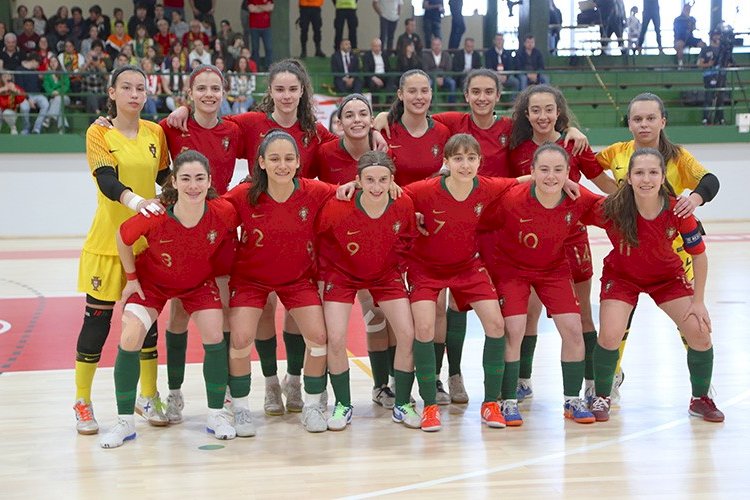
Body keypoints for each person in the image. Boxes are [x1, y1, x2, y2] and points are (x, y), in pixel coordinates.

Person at [166, 59, 342, 416]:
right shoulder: (249, 125)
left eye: (294, 89)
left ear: (303, 91)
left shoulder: (315, 131)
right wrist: (187, 106)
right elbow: (213, 120)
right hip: (260, 224)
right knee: (261, 314)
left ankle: (296, 381)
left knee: (299, 316)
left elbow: (344, 147)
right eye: (280, 89)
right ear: (270, 92)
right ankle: (269, 384)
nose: (287, 95)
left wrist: (377, 127)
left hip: (300, 229)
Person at [99, 150, 239, 448]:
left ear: (209, 181)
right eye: (185, 178)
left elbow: (231, 237)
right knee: (131, 335)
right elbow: (123, 237)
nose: (193, 185)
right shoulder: (156, 212)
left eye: (199, 178)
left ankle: (216, 414)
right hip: (153, 284)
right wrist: (132, 278)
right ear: (173, 182)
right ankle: (124, 422)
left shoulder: (223, 212)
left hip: (198, 284)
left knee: (216, 333)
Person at [223, 131, 355, 434]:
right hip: (250, 280)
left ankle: (311, 405)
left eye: (288, 159)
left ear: (298, 162)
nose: (282, 165)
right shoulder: (243, 194)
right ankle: (242, 409)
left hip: (298, 279)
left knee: (318, 338)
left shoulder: (314, 191)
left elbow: (347, 189)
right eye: (274, 159)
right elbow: (210, 210)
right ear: (261, 163)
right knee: (241, 339)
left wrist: (356, 185)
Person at [595, 92, 720, 404]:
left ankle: (701, 390)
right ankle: (611, 378)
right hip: (630, 253)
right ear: (629, 124)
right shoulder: (617, 152)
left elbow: (709, 180)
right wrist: (616, 194)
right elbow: (584, 165)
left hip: (673, 253)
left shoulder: (677, 156)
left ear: (663, 121)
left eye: (651, 118)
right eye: (637, 119)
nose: (644, 124)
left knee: (689, 326)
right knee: (617, 328)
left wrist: (695, 198)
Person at [73, 65, 170, 436]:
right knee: (96, 325)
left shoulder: (155, 132)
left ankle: (147, 396)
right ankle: (82, 400)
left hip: (146, 246)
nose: (134, 94)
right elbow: (106, 178)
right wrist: (134, 201)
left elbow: (165, 177)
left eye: (140, 88)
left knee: (145, 326)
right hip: (106, 245)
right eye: (126, 87)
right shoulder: (99, 132)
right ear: (111, 93)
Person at [507, 85, 617, 403]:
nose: (543, 116)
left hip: (572, 240)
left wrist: (637, 203)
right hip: (528, 244)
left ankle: (593, 382)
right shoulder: (516, 147)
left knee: (580, 314)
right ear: (526, 114)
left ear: (559, 112)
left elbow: (602, 183)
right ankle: (523, 380)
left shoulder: (575, 144)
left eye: (549, 109)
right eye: (536, 110)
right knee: (528, 313)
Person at [482, 142, 602, 425]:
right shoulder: (512, 198)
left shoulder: (577, 196)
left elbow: (611, 212)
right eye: (544, 169)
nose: (551, 176)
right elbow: (480, 222)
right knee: (514, 329)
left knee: (573, 329)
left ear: (568, 172)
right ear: (532, 171)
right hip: (513, 270)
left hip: (553, 269)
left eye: (558, 170)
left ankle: (572, 400)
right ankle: (508, 400)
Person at [403, 133, 516, 430]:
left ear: (480, 161)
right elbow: (393, 194)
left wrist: (563, 180)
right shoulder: (424, 190)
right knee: (425, 327)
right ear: (446, 162)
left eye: (471, 158)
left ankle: (491, 403)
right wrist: (412, 213)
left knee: (496, 324)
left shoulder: (487, 186)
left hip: (467, 266)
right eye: (458, 158)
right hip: (425, 268)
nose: (465, 165)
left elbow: (524, 181)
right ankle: (429, 405)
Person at [156, 65, 244, 423]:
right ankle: (174, 393)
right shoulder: (171, 127)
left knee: (221, 308)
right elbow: (152, 160)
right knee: (179, 312)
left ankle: (221, 389)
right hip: (182, 230)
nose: (209, 94)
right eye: (202, 88)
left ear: (224, 92)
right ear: (189, 93)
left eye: (215, 88)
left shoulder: (234, 131)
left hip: (219, 227)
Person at [317, 151, 422, 430]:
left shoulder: (403, 204)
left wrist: (398, 270)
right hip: (342, 276)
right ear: (358, 181)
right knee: (336, 338)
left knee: (407, 334)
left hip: (385, 276)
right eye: (370, 180)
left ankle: (402, 403)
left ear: (392, 181)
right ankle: (343, 405)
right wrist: (324, 277)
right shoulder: (339, 206)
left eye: (383, 180)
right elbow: (320, 238)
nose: (377, 186)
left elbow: (409, 239)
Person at [698, 29, 733, 125]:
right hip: (709, 76)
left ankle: (720, 119)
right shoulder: (705, 49)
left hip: (721, 75)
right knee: (709, 97)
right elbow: (700, 64)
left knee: (720, 97)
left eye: (719, 35)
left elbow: (730, 63)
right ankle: (706, 118)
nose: (717, 37)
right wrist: (708, 64)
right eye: (715, 35)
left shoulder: (724, 50)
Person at [15, 52, 49, 134]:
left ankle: (37, 128)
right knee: (24, 107)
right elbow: (20, 88)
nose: (38, 66)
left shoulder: (35, 71)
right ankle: (26, 128)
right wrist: (28, 99)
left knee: (45, 103)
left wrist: (41, 79)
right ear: (33, 61)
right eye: (38, 63)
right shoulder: (19, 70)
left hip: (37, 95)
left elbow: (39, 87)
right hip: (24, 96)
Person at [422, 37, 455, 103]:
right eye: (434, 44)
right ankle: (429, 104)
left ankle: (451, 104)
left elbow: (449, 69)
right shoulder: (426, 56)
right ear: (431, 46)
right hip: (431, 78)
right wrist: (435, 78)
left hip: (444, 78)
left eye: (438, 44)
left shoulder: (446, 55)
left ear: (441, 45)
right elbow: (425, 70)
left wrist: (442, 78)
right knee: (428, 83)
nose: (437, 46)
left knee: (452, 83)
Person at [43, 55, 70, 133]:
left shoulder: (63, 73)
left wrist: (58, 92)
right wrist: (52, 92)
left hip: (65, 97)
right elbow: (46, 87)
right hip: (53, 98)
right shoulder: (47, 75)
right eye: (51, 62)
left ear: (58, 63)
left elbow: (66, 86)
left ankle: (49, 118)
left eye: (55, 61)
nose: (53, 63)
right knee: (57, 104)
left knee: (58, 98)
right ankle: (63, 126)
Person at [362, 37, 394, 102]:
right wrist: (374, 78)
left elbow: (388, 68)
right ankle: (375, 105)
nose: (377, 48)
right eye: (375, 46)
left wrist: (387, 76)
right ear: (371, 46)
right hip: (373, 77)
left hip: (384, 76)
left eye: (379, 46)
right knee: (372, 84)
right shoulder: (367, 55)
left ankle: (388, 103)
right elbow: (366, 70)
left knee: (391, 80)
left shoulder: (384, 55)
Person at [674, 3, 704, 68]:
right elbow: (678, 30)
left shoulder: (692, 19)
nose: (688, 10)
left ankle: (699, 62)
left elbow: (693, 27)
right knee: (679, 45)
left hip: (690, 38)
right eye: (687, 9)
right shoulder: (678, 19)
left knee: (703, 45)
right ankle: (680, 64)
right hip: (680, 38)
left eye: (689, 9)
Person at [248, 0, 274, 70]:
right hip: (254, 27)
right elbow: (251, 9)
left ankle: (269, 68)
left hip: (266, 27)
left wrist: (257, 6)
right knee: (255, 49)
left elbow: (271, 8)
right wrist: (265, 7)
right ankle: (256, 68)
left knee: (269, 48)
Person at [0, 70, 25, 135]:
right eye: (4, 76)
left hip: (11, 112)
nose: (6, 78)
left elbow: (22, 99)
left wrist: (15, 91)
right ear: (1, 78)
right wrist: (3, 89)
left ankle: (13, 127)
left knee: (6, 112)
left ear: (11, 77)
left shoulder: (14, 86)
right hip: (1, 111)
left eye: (8, 76)